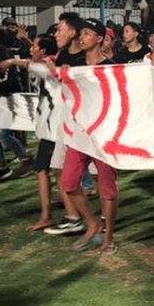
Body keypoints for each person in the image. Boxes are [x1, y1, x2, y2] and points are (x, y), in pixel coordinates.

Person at [55, 18, 118, 255]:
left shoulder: (111, 67)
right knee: (69, 183)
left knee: (107, 189)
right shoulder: (74, 65)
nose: (81, 38)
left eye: (88, 34)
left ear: (100, 39)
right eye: (80, 34)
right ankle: (92, 224)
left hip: (103, 137)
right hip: (79, 134)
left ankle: (108, 237)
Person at [0, 34, 59, 231]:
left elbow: (29, 64)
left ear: (43, 51)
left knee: (48, 170)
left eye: (35, 46)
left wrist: (10, 61)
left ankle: (57, 215)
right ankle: (61, 213)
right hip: (49, 128)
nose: (31, 49)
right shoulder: (45, 66)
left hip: (55, 129)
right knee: (50, 170)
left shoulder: (49, 68)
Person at [42, 12, 87, 237]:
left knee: (100, 177)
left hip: (85, 125)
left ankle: (99, 219)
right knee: (58, 169)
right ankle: (74, 218)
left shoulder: (85, 59)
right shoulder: (61, 56)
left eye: (60, 29)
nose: (56, 33)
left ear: (71, 32)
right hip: (66, 121)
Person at [0, 27, 33, 184]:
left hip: (11, 98)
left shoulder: (5, 55)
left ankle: (26, 159)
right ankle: (2, 168)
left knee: (1, 133)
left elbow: (7, 80)